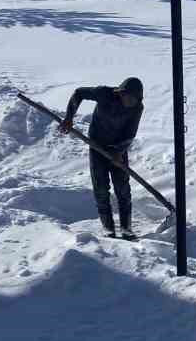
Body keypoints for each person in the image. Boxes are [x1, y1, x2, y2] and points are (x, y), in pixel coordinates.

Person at [59, 78, 144, 239]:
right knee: (100, 188)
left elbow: (131, 132)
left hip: (118, 149)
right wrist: (69, 118)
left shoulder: (137, 108)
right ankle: (108, 229)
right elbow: (79, 93)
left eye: (134, 99)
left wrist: (119, 152)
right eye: (127, 97)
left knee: (122, 189)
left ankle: (126, 229)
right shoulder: (104, 93)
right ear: (121, 93)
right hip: (97, 146)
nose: (129, 102)